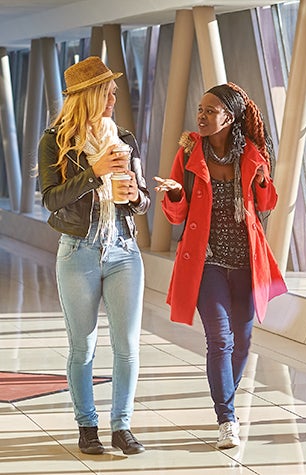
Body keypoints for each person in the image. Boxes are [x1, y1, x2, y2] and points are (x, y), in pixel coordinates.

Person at [154, 82, 287, 449]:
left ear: (229, 117)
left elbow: (266, 204)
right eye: (200, 109)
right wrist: (177, 193)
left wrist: (261, 181)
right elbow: (176, 213)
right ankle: (226, 418)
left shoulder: (252, 153)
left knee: (242, 343)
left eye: (209, 111)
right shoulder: (189, 152)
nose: (201, 115)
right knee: (220, 339)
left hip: (246, 261)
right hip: (206, 260)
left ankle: (226, 399)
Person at [38, 56, 150, 455]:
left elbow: (141, 201)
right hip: (78, 252)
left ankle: (122, 426)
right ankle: (88, 426)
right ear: (89, 95)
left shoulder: (125, 138)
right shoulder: (56, 141)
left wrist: (136, 196)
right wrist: (93, 170)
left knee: (128, 346)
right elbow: (51, 200)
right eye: (109, 91)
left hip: (123, 249)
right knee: (82, 346)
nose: (115, 98)